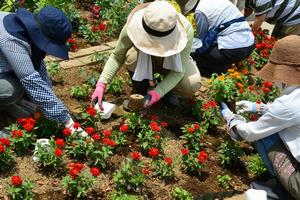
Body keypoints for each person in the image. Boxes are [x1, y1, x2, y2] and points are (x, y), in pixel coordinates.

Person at [221, 35, 300, 200]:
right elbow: (291, 114)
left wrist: (233, 121)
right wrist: (258, 108)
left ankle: (284, 190)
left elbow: (251, 132)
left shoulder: (289, 103)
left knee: (266, 135)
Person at [91, 1, 201, 108]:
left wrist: (159, 92)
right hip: (146, 59)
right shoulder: (133, 25)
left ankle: (169, 91)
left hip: (173, 62)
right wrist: (101, 84)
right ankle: (141, 90)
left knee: (191, 83)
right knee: (132, 56)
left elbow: (179, 72)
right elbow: (117, 56)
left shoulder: (186, 31)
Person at [0, 6, 86, 135]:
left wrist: (51, 103)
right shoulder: (11, 40)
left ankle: (9, 107)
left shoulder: (22, 28)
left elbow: (39, 67)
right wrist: (67, 121)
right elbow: (31, 80)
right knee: (11, 90)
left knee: (24, 89)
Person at [175, 0, 255, 77]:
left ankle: (218, 70)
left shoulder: (200, 12)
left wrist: (185, 50)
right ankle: (225, 62)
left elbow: (200, 40)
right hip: (250, 43)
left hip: (235, 50)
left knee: (199, 56)